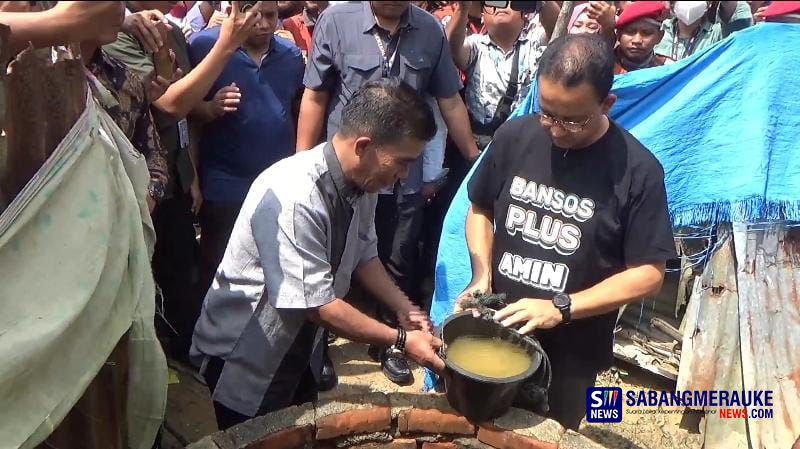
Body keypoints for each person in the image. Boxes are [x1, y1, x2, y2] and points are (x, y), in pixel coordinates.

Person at [191, 79, 446, 430]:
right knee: (254, 437)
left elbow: (364, 254)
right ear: (364, 146)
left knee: (296, 433)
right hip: (246, 354)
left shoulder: (364, 180)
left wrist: (406, 309)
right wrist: (402, 340)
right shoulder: (296, 195)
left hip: (299, 345)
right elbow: (318, 305)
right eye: (402, 163)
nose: (403, 176)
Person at [457, 34, 676, 430]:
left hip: (572, 350)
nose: (556, 129)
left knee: (550, 434)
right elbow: (480, 209)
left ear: (607, 104)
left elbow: (648, 274)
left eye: (573, 119)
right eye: (547, 113)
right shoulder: (515, 137)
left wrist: (561, 307)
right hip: (497, 326)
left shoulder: (638, 172)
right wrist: (481, 275)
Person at [297, 0, 479, 385]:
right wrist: (302, 166)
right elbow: (315, 96)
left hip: (401, 178)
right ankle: (322, 345)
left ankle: (390, 347)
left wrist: (475, 160)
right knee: (331, 263)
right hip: (348, 175)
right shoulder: (336, 21)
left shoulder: (430, 30)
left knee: (395, 260)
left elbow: (450, 100)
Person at [103, 0, 261, 360]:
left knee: (182, 276)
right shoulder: (116, 34)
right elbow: (168, 103)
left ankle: (186, 362)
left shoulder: (172, 32)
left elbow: (184, 111)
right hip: (132, 185)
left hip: (171, 176)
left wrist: (190, 170)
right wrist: (226, 44)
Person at [188, 0, 304, 329]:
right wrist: (208, 108)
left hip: (276, 185)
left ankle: (264, 337)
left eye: (272, 16)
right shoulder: (205, 47)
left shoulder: (292, 57)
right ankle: (212, 339)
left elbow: (299, 113)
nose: (265, 24)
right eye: (256, 17)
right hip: (224, 182)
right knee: (221, 265)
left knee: (275, 264)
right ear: (237, 11)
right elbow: (182, 110)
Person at [446, 1, 554, 151]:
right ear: (482, 16)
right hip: (484, 146)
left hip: (526, 144)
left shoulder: (536, 43)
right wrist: (463, 9)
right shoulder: (476, 46)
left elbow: (556, 27)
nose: (500, 6)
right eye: (493, 1)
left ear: (524, 13)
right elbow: (452, 47)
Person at [654, 1, 752, 61]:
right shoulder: (658, 29)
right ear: (672, 5)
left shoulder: (718, 34)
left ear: (707, 5)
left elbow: (741, 22)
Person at [614, 1, 670, 74]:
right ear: (618, 34)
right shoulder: (600, 66)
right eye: (630, 32)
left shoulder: (668, 70)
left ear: (660, 37)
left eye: (646, 33)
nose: (637, 40)